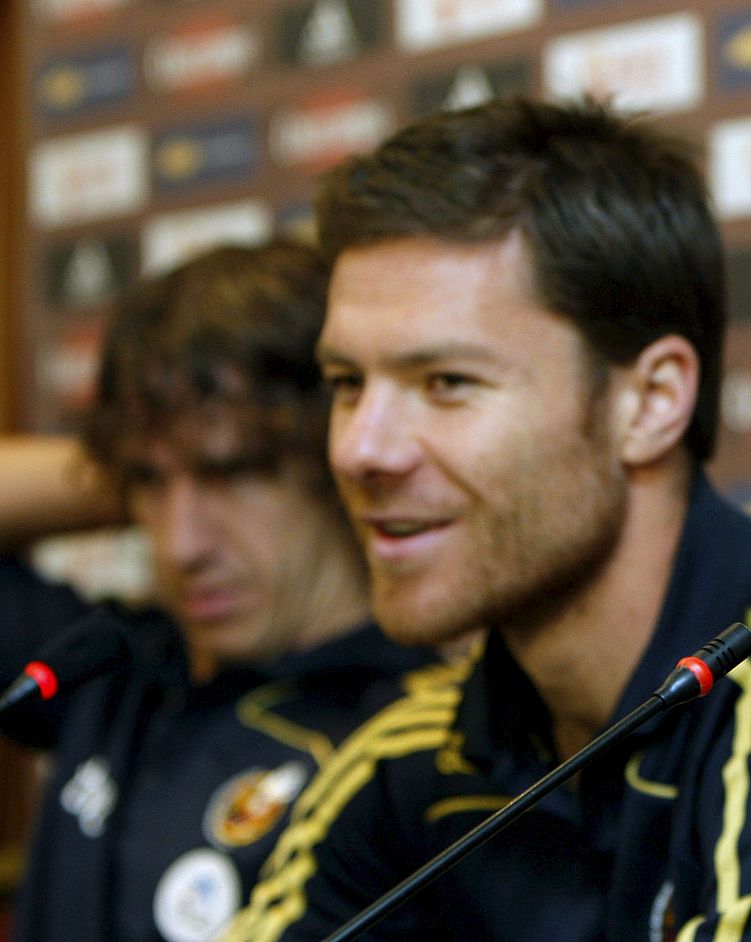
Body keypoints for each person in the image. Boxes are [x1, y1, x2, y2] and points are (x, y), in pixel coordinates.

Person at [226, 98, 751, 942]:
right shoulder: (408, 753)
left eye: (446, 383)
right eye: (347, 383)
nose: (360, 449)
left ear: (649, 402)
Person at [0, 241, 438, 942]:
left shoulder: (411, 742)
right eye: (148, 481)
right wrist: (123, 460)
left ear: (335, 459)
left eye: (231, 473)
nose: (181, 546)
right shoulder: (113, 666)